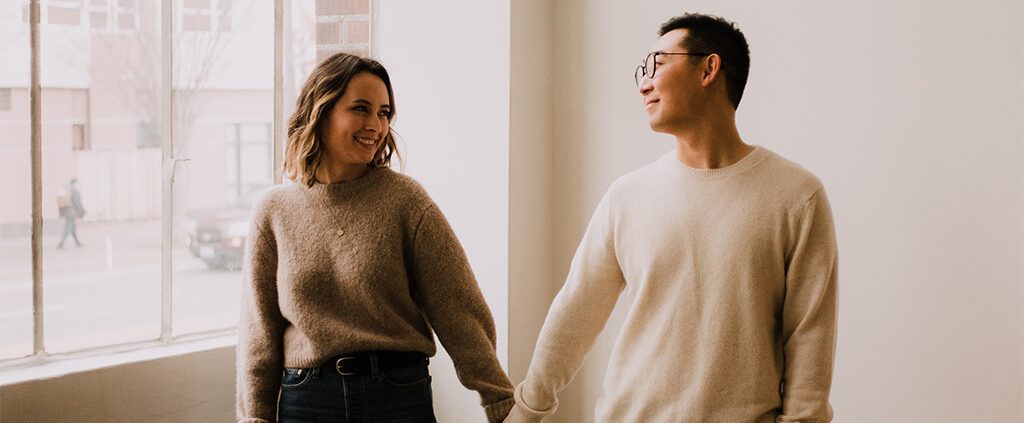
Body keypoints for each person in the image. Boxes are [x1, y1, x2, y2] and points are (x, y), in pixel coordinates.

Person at [506, 13, 838, 423]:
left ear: (708, 69)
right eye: (642, 70)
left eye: (658, 64)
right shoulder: (626, 197)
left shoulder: (797, 196)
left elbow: (809, 339)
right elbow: (575, 313)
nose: (644, 83)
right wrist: (526, 412)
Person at [236, 52, 515, 422]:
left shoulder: (405, 201)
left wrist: (500, 402)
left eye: (384, 113)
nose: (376, 125)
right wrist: (255, 417)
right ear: (320, 111)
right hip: (307, 402)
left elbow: (459, 310)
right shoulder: (273, 211)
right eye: (361, 109)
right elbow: (259, 336)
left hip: (398, 397)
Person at [57, 178, 85, 249]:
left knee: (72, 227)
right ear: (75, 183)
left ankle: (77, 242)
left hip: (66, 211)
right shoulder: (74, 190)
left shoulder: (66, 188)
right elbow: (77, 202)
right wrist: (82, 211)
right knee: (68, 227)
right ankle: (61, 243)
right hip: (71, 212)